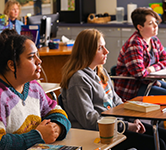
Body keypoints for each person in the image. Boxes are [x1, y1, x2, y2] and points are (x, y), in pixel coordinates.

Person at [60, 28, 166, 150]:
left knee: (163, 136)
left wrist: (133, 119)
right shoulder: (78, 80)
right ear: (87, 52)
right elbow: (90, 121)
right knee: (156, 144)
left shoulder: (100, 71)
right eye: (100, 48)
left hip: (118, 126)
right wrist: (126, 126)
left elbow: (117, 101)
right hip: (100, 134)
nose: (107, 51)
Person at [0, 29, 71, 150]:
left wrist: (57, 127)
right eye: (31, 57)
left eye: (37, 55)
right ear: (12, 65)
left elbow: (57, 112)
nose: (39, 61)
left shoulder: (33, 87)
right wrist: (39, 136)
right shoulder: (2, 96)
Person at [114, 7, 166, 101]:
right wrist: (156, 68)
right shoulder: (134, 44)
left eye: (156, 22)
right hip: (133, 88)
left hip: (150, 82)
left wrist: (152, 68)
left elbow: (165, 59)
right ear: (140, 27)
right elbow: (140, 74)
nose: (155, 26)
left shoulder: (153, 40)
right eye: (150, 23)